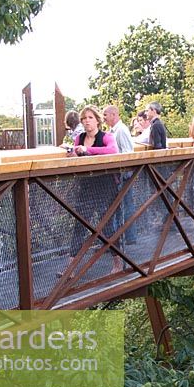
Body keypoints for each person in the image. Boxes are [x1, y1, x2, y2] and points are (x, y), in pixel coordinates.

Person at [62, 105, 122, 277]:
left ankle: (118, 262)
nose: (87, 121)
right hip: (86, 186)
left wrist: (88, 150)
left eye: (90, 118)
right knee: (80, 224)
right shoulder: (79, 137)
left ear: (97, 120)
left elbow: (112, 150)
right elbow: (75, 155)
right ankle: (70, 268)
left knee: (107, 225)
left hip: (104, 186)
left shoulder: (105, 137)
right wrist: (72, 154)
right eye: (84, 118)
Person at [103, 104, 137, 245]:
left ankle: (129, 239)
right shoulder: (112, 131)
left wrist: (125, 173)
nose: (103, 118)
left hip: (124, 175)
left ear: (113, 115)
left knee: (126, 206)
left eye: (105, 115)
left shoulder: (121, 131)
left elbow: (128, 152)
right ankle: (120, 238)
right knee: (118, 207)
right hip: (117, 175)